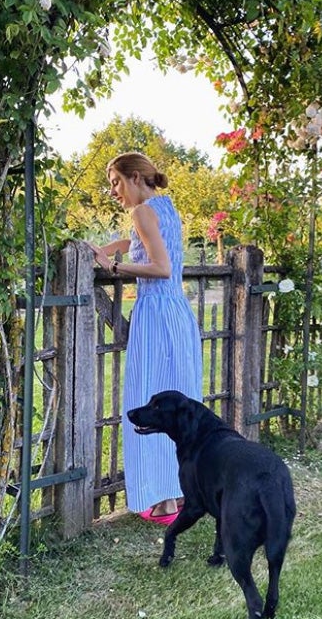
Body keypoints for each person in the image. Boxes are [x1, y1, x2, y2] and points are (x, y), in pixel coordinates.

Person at [87, 152, 203, 525]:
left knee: (148, 400)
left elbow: (161, 266)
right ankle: (178, 493)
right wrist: (118, 246)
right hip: (177, 314)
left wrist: (113, 266)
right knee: (176, 401)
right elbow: (151, 242)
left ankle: (161, 499)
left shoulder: (142, 212)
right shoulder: (166, 208)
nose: (113, 191)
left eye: (116, 182)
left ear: (136, 177)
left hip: (155, 312)